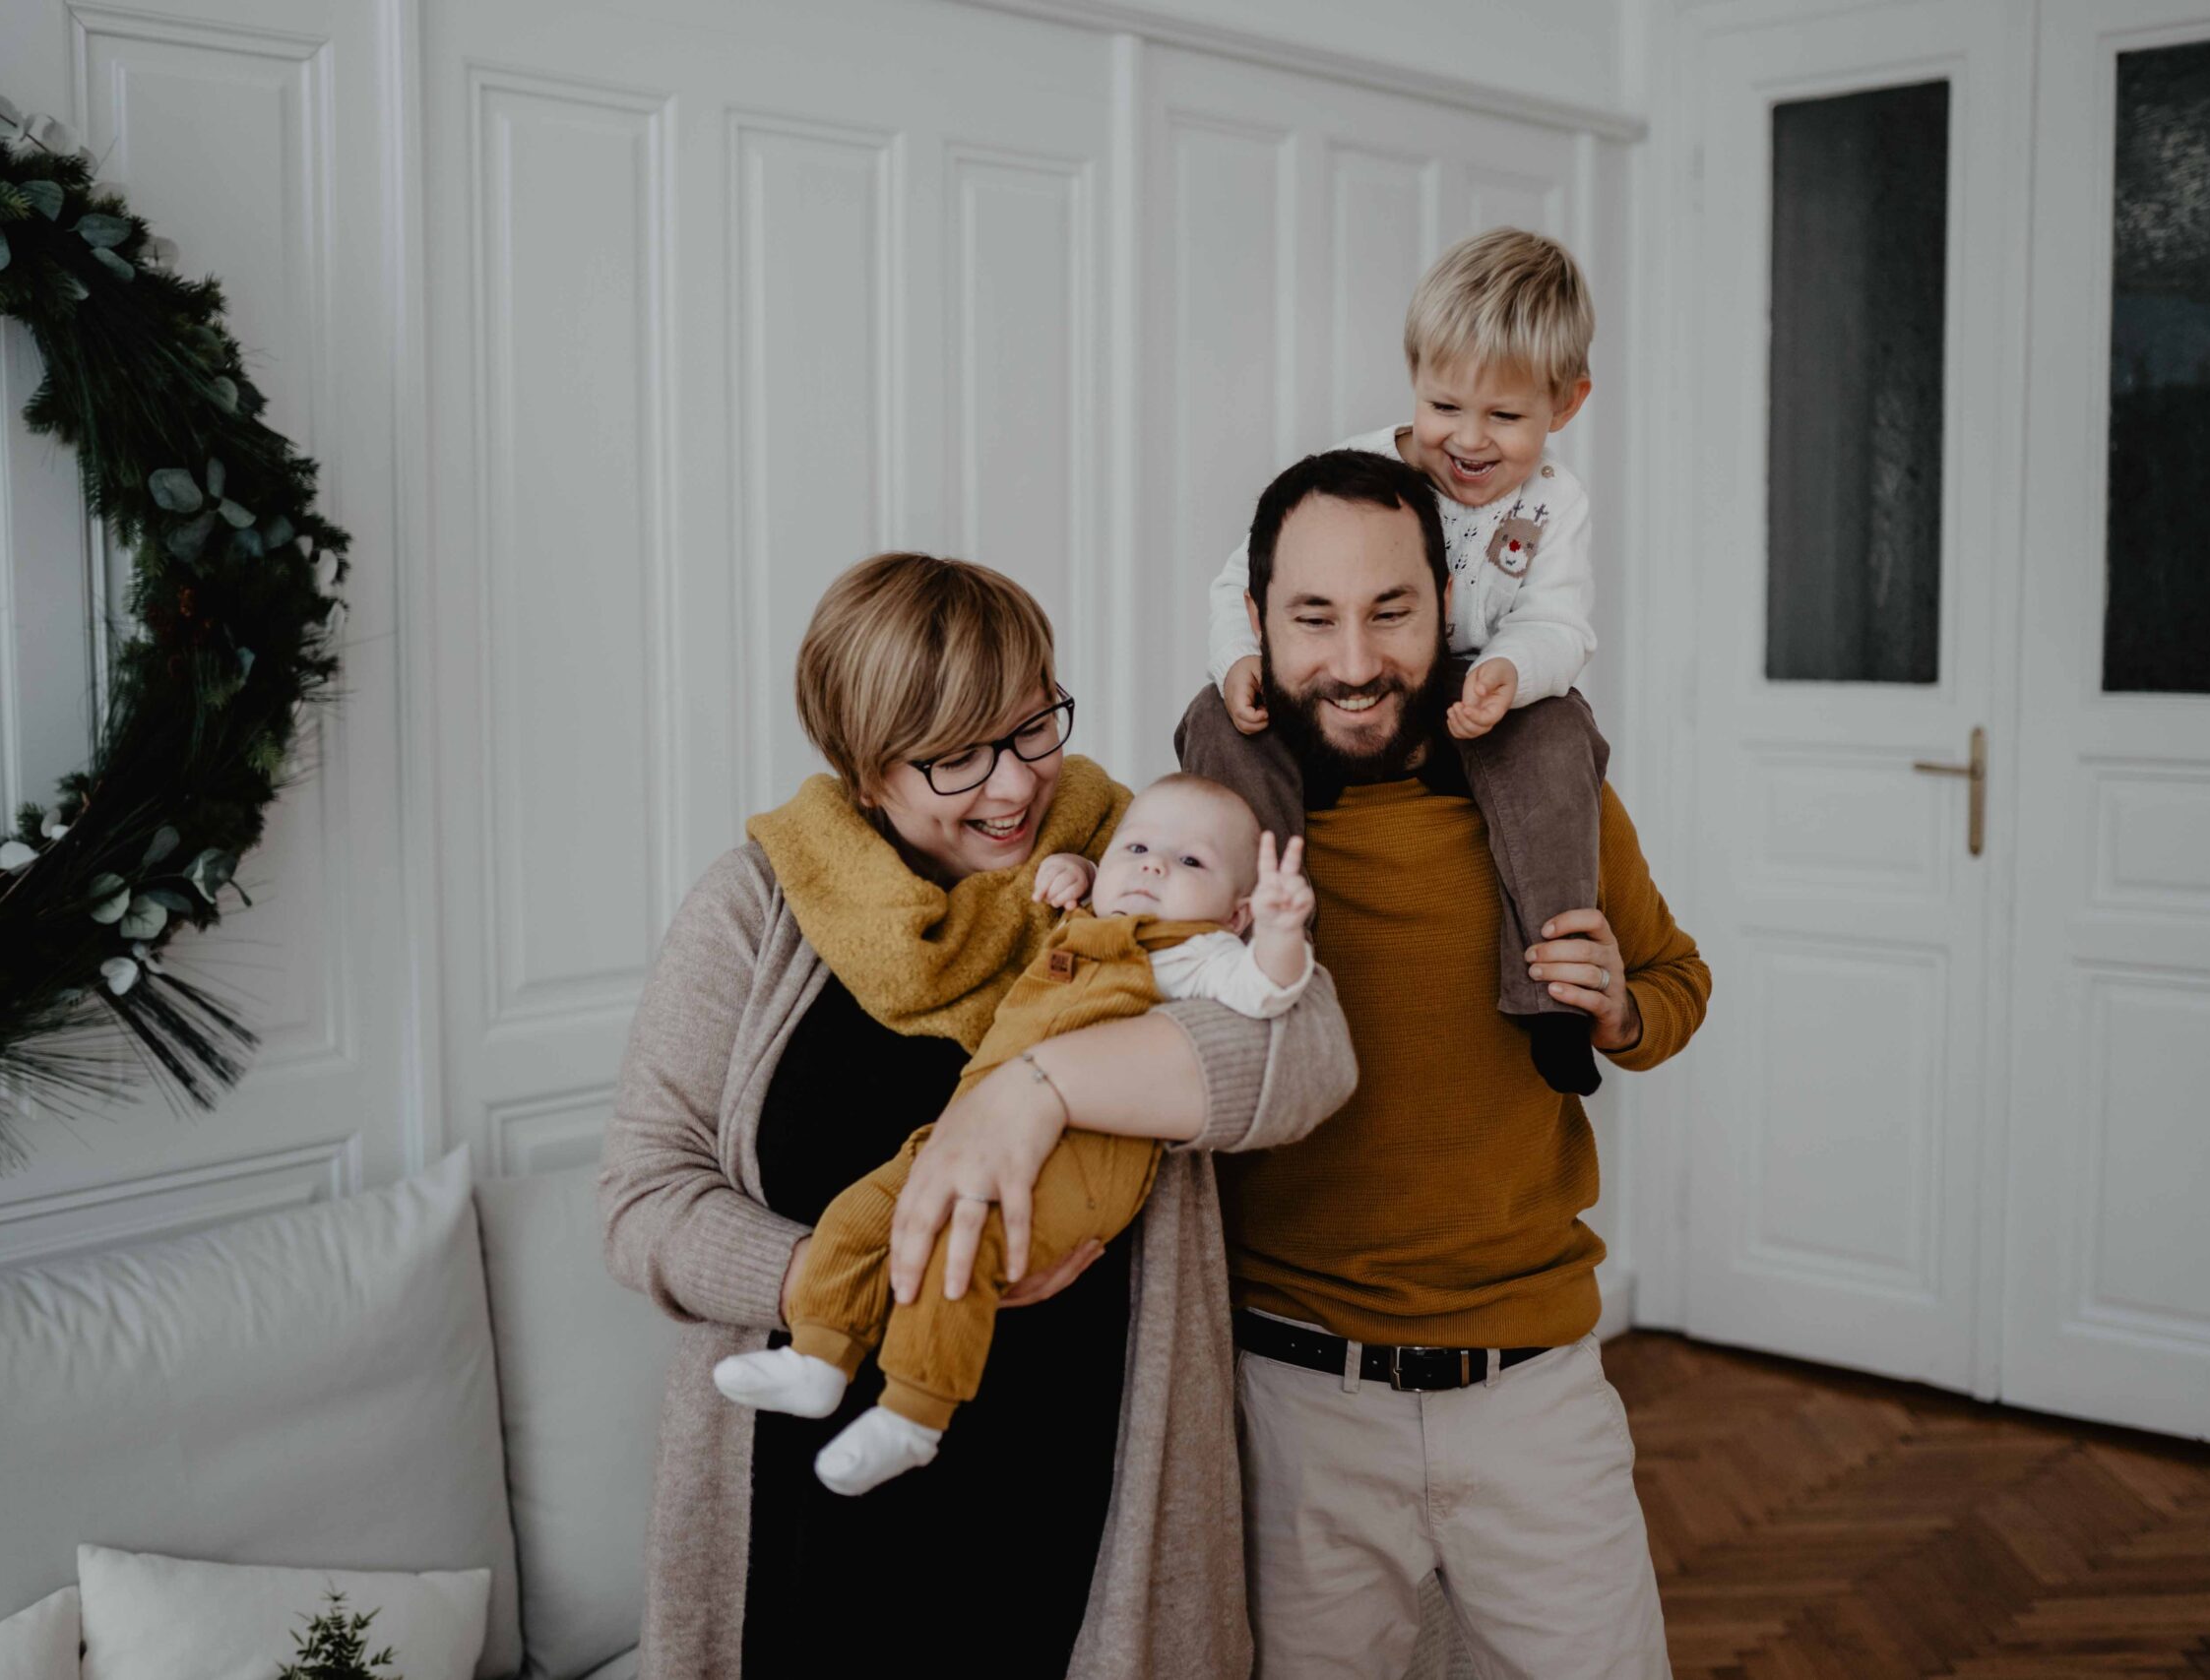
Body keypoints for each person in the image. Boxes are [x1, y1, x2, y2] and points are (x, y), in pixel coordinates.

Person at [600, 552, 1357, 1680]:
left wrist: (1031, 1090)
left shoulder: (1138, 856)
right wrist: (846, 1279)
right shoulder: (755, 908)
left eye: (1030, 729)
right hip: (812, 1503)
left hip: (1080, 1492)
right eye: (954, 757)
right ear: (864, 770)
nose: (1012, 789)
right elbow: (642, 1201)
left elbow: (1306, 1056)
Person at [1177, 451, 1710, 1679]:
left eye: (1392, 612)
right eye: (1313, 617)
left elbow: (1678, 980)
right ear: (1255, 621)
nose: (1355, 662)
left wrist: (1624, 1011)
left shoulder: (1550, 797)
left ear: (1448, 607)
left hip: (1537, 1398)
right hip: (1289, 1401)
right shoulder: (1206, 825)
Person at [711, 774, 1317, 1499]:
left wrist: (1279, 937)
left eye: (1191, 864)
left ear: (1235, 910)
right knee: (863, 1210)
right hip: (960, 1133)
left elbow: (1272, 996)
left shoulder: (1198, 955)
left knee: (963, 1242)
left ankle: (912, 1412)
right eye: (1140, 847)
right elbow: (1110, 881)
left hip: (1084, 1163)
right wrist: (1088, 872)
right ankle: (820, 1356)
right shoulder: (1089, 916)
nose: (1155, 866)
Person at [1185, 226, 1610, 1095]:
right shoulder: (1360, 472)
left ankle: (1552, 989)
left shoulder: (1556, 506)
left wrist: (1512, 672)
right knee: (1214, 717)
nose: (1471, 440)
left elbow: (1561, 623)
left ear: (1566, 406)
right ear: (1414, 380)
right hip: (1351, 694)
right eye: (1445, 406)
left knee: (1560, 726)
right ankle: (1253, 954)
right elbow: (1244, 581)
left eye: (1506, 416)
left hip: (1470, 698)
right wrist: (1239, 663)